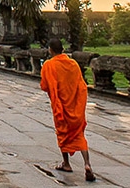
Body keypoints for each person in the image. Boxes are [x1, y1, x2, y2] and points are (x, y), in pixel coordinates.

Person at [40, 38, 95, 182]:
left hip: (61, 107)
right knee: (79, 135)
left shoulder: (49, 65)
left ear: (50, 50)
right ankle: (87, 164)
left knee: (62, 134)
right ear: (62, 49)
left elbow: (45, 86)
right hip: (75, 106)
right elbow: (81, 85)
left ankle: (66, 164)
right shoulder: (73, 64)